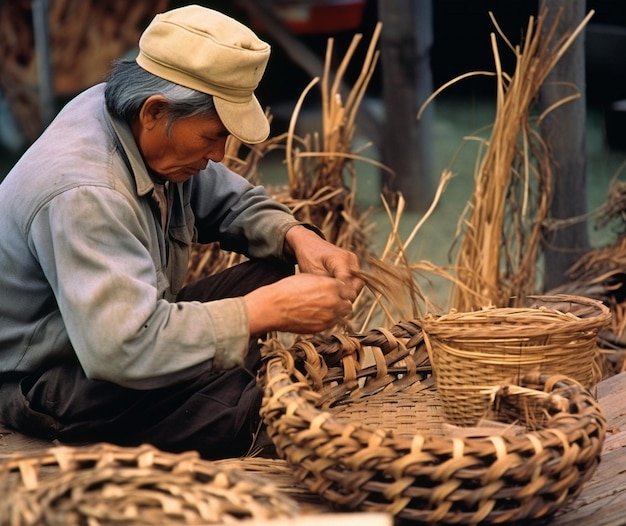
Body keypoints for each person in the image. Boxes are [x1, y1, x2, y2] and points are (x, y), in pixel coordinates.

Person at [0, 5, 363, 459]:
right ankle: (240, 407)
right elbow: (121, 349)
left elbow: (231, 202)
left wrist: (298, 238)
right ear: (155, 110)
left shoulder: (138, 119)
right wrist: (259, 312)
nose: (218, 154)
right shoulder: (86, 192)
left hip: (118, 337)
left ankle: (231, 389)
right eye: (212, 136)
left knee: (279, 270)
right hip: (49, 379)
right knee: (246, 413)